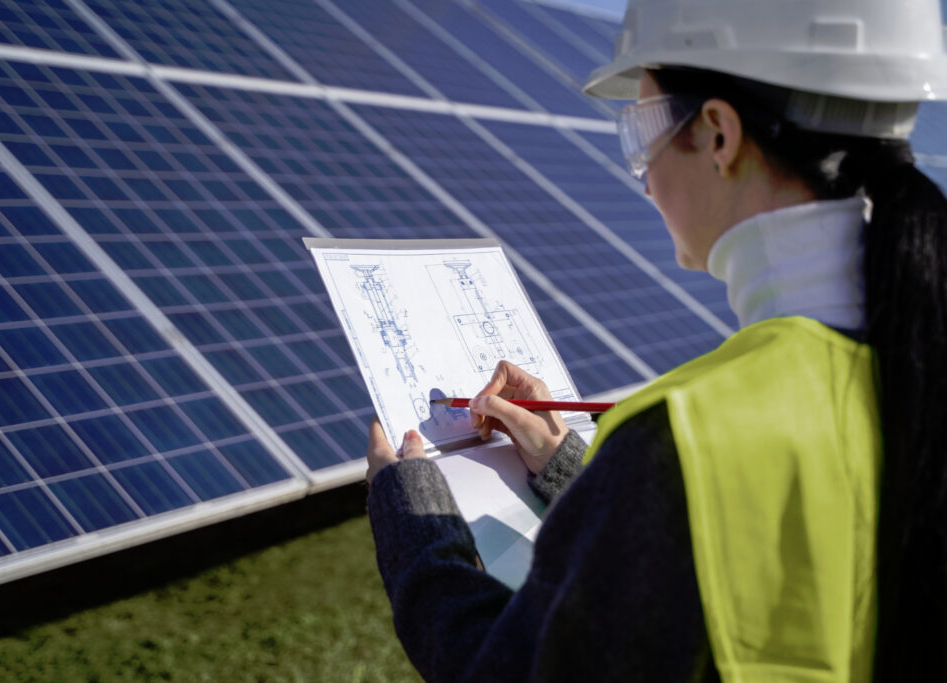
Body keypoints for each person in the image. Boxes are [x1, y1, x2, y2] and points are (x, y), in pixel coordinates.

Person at [364, 0, 947, 679]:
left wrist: (414, 527)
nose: (642, 179)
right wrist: (586, 480)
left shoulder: (686, 437)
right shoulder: (913, 360)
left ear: (719, 134)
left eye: (642, 133)